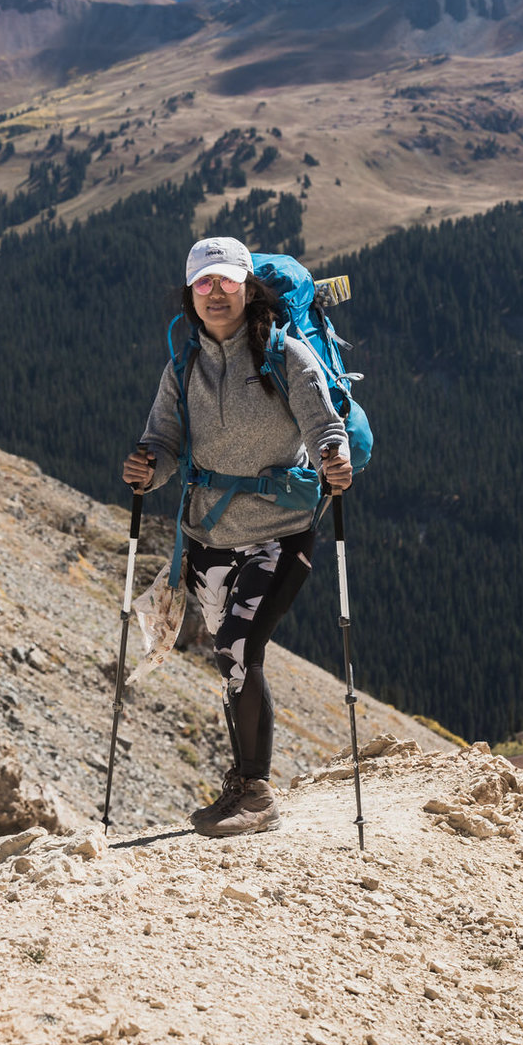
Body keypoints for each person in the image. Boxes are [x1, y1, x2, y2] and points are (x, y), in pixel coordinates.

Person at [123, 235, 352, 837]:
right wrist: (148, 466)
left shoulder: (286, 357)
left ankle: (256, 795)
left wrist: (335, 456)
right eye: (205, 283)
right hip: (209, 535)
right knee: (233, 661)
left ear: (248, 289)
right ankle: (243, 783)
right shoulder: (183, 365)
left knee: (238, 651)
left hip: (280, 532)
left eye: (227, 282)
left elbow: (327, 427)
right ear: (190, 293)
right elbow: (165, 443)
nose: (216, 293)